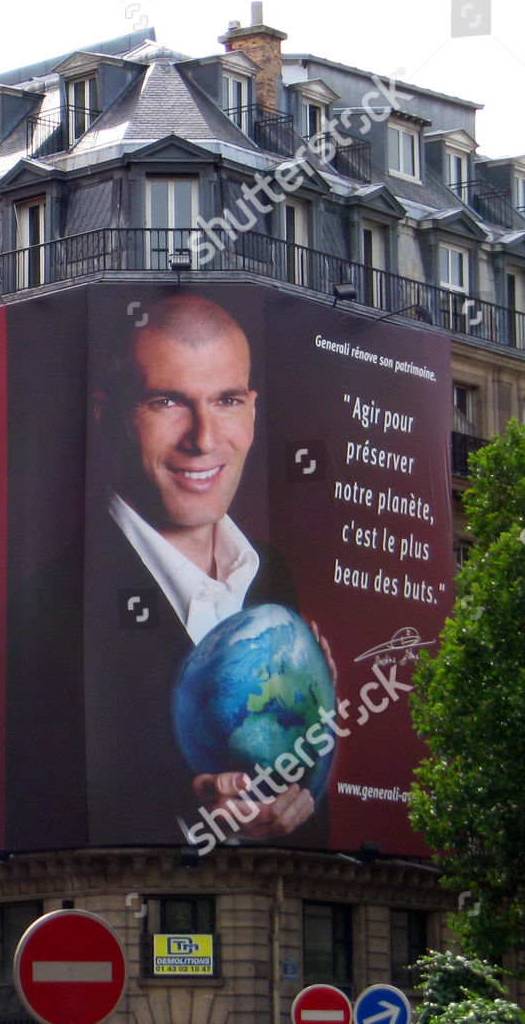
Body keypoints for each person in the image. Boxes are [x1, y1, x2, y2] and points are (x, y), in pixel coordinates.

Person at [84, 290, 329, 845]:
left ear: (254, 409)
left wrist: (303, 791)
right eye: (167, 402)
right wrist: (190, 808)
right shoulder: (56, 594)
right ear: (110, 414)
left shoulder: (273, 574)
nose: (203, 438)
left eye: (226, 401)